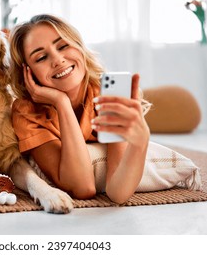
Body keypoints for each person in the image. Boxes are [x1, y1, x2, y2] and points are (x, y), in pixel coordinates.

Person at [9, 14, 150, 204]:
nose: (58, 60)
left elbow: (118, 193)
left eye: (63, 46)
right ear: (29, 73)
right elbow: (83, 188)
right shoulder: (27, 112)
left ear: (79, 47)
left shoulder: (107, 94)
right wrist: (62, 102)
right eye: (41, 57)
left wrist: (140, 143)